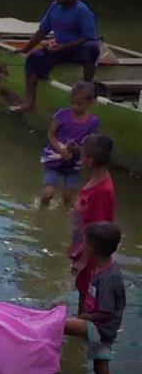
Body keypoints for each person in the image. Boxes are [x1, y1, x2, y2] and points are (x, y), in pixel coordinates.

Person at [11, 0, 99, 113]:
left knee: (91, 48)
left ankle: (87, 86)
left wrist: (64, 46)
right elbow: (42, 31)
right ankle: (29, 101)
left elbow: (88, 36)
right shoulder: (54, 7)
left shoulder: (82, 11)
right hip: (59, 48)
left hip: (77, 48)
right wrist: (26, 49)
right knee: (34, 58)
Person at [64, 222, 125, 374]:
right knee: (100, 364)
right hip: (105, 327)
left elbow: (106, 311)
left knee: (60, 325)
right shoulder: (104, 266)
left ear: (94, 248)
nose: (83, 246)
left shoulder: (107, 277)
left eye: (86, 243)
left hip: (100, 326)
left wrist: (85, 316)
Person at [69, 134, 114, 314]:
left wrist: (84, 259)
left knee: (87, 296)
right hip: (85, 248)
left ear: (88, 161)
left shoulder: (102, 191)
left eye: (82, 155)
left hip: (92, 254)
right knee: (83, 291)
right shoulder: (98, 176)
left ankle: (80, 327)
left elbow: (96, 231)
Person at [40, 81, 100, 207]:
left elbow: (90, 143)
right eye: (72, 102)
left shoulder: (93, 122)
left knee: (68, 198)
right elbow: (50, 135)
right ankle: (41, 212)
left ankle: (65, 217)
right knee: (48, 193)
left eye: (78, 104)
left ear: (90, 103)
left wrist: (78, 149)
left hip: (74, 161)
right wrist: (60, 149)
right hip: (55, 158)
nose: (74, 106)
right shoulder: (62, 115)